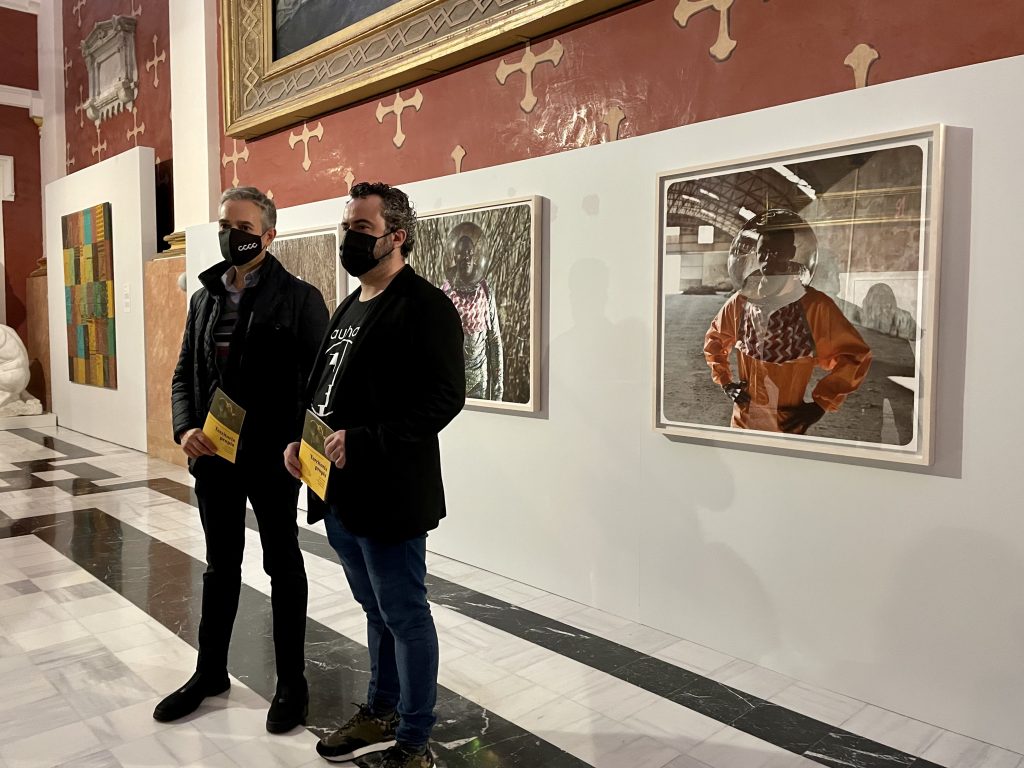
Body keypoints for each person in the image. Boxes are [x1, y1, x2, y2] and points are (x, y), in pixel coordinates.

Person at [285, 182, 464, 767]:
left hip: (391, 494)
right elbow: (326, 387)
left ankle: (414, 741)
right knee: (375, 610)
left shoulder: (425, 305)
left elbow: (444, 398)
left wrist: (365, 440)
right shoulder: (350, 305)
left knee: (405, 615)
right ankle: (380, 709)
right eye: (347, 227)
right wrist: (302, 440)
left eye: (362, 228)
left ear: (397, 236)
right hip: (340, 492)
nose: (349, 238)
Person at [160, 186, 328, 732]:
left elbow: (319, 386)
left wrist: (301, 445)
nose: (232, 235)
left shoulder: (300, 299)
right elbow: (184, 372)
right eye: (224, 226)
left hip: (273, 457)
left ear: (268, 235)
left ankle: (292, 684)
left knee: (283, 564)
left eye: (243, 227)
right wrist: (185, 427)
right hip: (215, 455)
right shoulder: (204, 298)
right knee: (220, 565)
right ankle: (210, 672)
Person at [704, 209, 872, 434]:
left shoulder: (814, 306)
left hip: (787, 424)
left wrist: (821, 404)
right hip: (743, 420)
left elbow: (856, 356)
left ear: (791, 253)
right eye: (763, 252)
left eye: (777, 252)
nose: (768, 259)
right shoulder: (742, 301)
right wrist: (726, 382)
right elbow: (715, 339)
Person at [440, 221, 504, 400]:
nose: (465, 257)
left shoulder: (485, 292)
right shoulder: (445, 293)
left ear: (475, 256)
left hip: (479, 380)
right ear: (454, 256)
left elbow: (494, 339)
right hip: (451, 379)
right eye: (461, 253)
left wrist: (498, 384)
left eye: (469, 253)